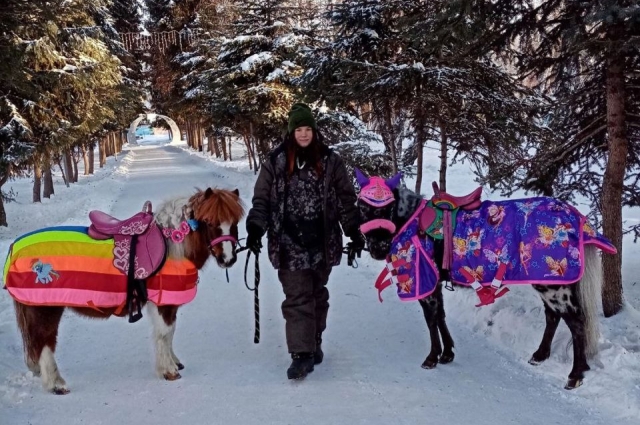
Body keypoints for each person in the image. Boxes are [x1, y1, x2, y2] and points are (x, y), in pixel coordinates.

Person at [245, 103, 365, 380]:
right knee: (298, 297)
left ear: (314, 131)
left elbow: (346, 200)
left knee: (317, 294)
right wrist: (255, 229)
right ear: (291, 131)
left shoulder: (331, 160)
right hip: (288, 243)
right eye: (298, 129)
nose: (303, 134)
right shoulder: (274, 161)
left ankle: (315, 340)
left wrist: (354, 231)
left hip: (323, 241)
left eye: (307, 129)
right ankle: (301, 355)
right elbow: (261, 200)